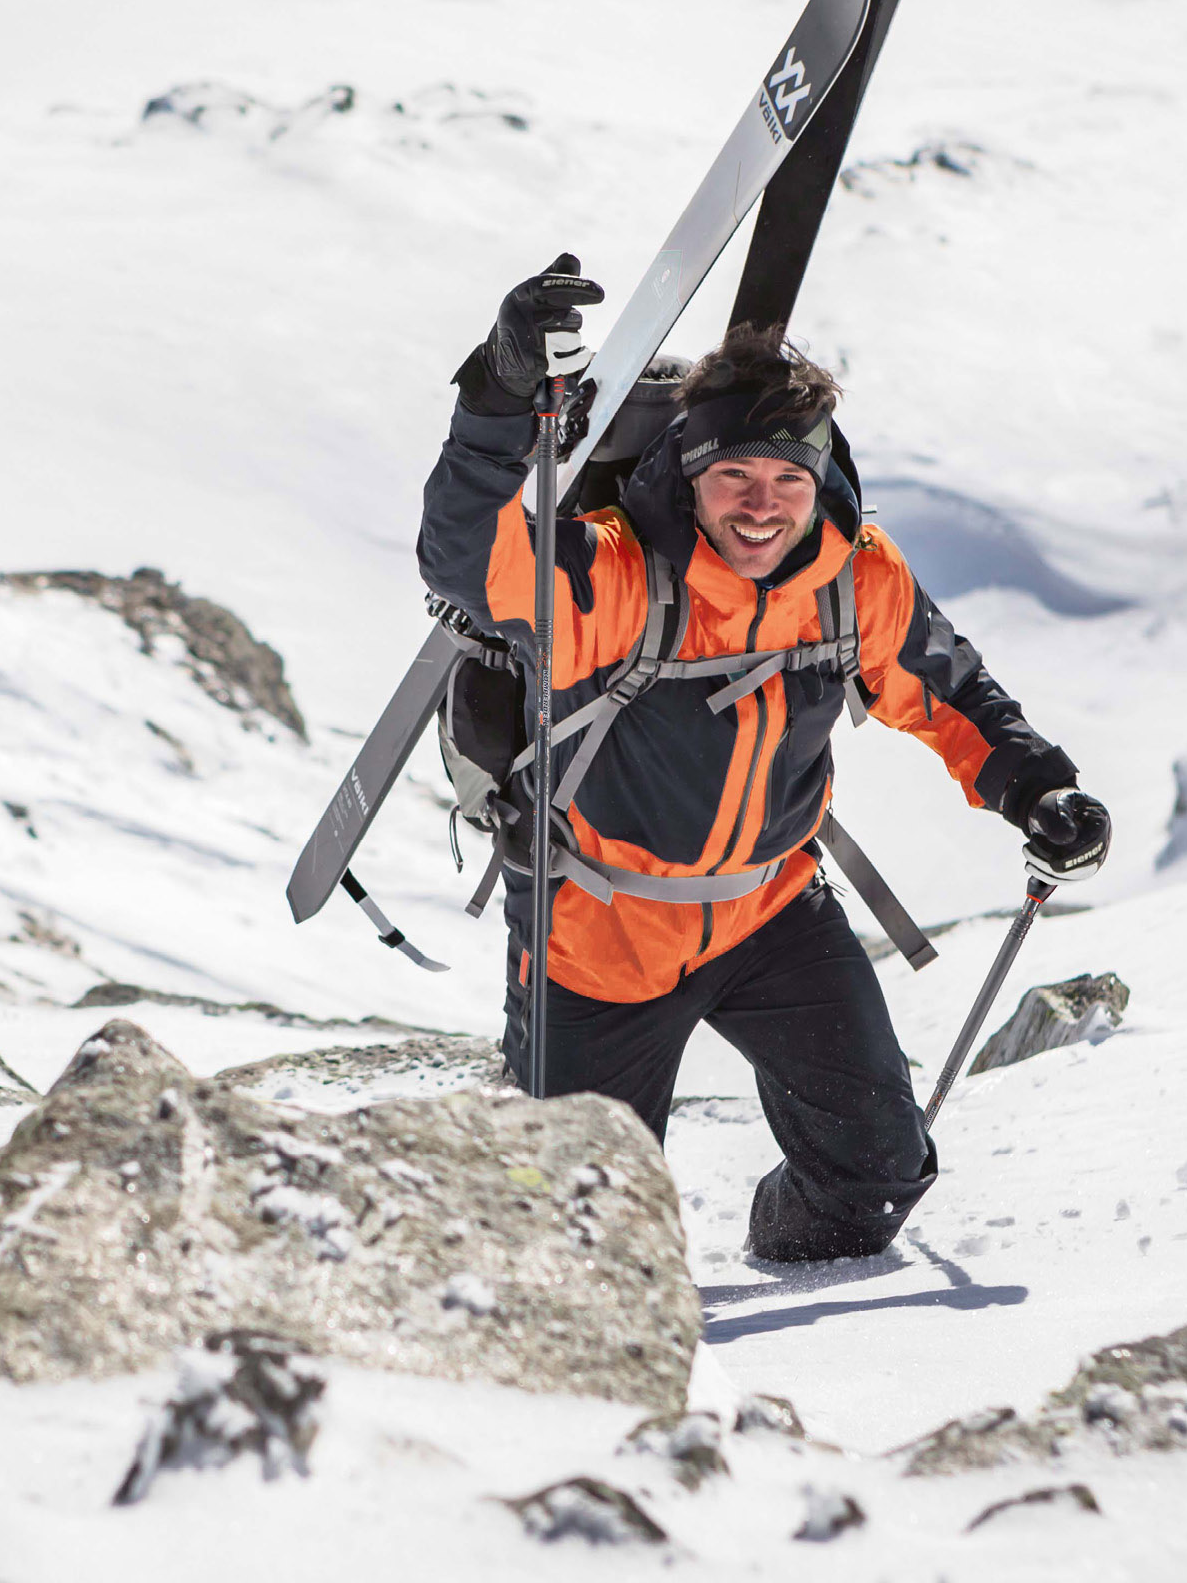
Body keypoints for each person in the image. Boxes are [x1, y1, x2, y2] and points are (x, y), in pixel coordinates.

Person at [418, 254, 1111, 1262]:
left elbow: (948, 688)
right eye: (733, 475)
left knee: (875, 1179)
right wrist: (498, 390)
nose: (761, 504)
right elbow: (467, 564)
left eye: (789, 478)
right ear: (688, 475)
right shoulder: (615, 571)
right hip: (600, 937)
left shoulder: (854, 577)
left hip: (772, 913)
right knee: (578, 1243)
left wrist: (1036, 786)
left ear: (820, 480)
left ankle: (806, 1293)